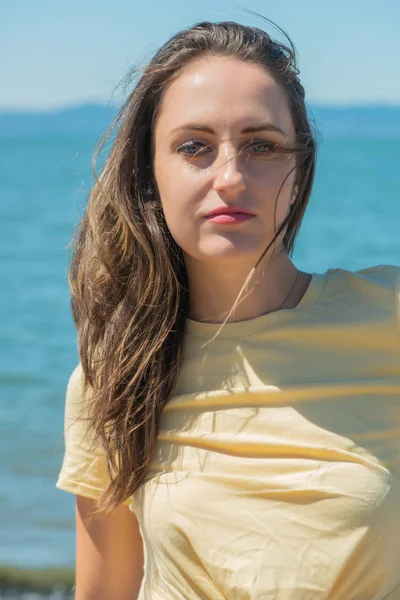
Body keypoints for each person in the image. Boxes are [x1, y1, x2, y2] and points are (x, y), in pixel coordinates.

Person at [55, 17, 400, 600]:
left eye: (261, 146)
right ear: (150, 173)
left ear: (299, 169)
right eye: (195, 147)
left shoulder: (387, 317)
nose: (231, 177)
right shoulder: (114, 377)